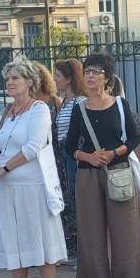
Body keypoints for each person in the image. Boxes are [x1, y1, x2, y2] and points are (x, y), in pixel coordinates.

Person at [0, 59, 64, 278]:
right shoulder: (6, 112)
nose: (10, 82)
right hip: (7, 188)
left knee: (40, 240)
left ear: (29, 82)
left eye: (15, 78)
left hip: (32, 186)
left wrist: (5, 169)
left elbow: (33, 146)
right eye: (8, 78)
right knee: (13, 239)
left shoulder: (39, 109)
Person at [68, 52, 140, 278]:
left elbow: (135, 137)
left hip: (118, 172)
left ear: (107, 77)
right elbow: (69, 145)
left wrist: (114, 152)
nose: (90, 76)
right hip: (87, 175)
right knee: (91, 232)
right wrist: (88, 157)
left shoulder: (120, 105)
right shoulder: (79, 108)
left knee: (126, 231)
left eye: (96, 71)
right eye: (87, 71)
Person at [52, 59, 86, 263]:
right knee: (68, 200)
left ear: (69, 79)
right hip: (63, 156)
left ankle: (80, 251)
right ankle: (72, 247)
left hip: (73, 155)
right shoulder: (64, 102)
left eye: (58, 76)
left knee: (76, 199)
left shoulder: (79, 101)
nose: (55, 79)